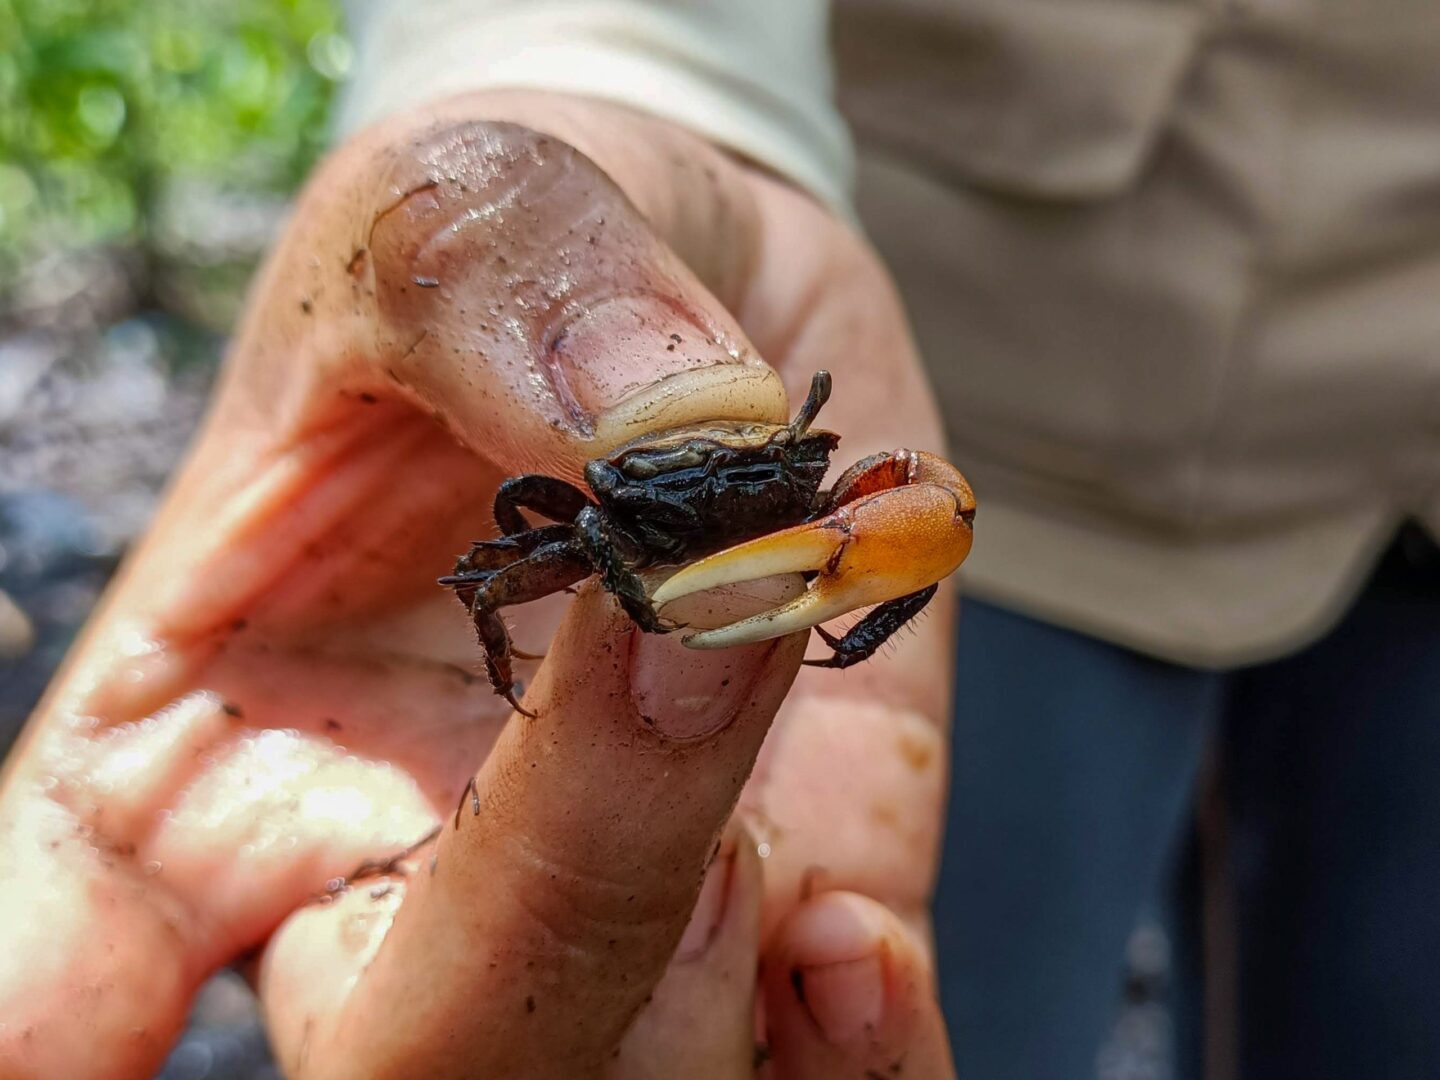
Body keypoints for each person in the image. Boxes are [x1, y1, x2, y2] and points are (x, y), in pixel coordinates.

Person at [3, 2, 1437, 1078]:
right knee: (910, 981)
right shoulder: (643, 470)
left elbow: (914, 496)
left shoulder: (828, 475)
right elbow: (503, 543)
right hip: (1008, 366)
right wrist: (609, 80)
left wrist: (843, 584)